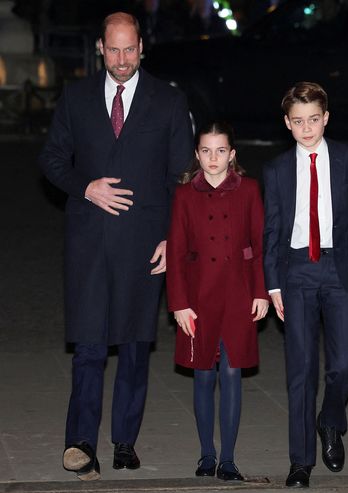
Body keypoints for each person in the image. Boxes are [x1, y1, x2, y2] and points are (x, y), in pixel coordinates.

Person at [38, 12, 194, 480]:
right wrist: (85, 187)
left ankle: (125, 440)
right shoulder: (77, 97)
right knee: (88, 347)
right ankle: (80, 441)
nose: (122, 60)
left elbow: (181, 180)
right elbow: (50, 159)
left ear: (142, 48)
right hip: (88, 242)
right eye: (114, 50)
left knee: (133, 346)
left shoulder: (167, 101)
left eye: (130, 50)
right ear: (100, 50)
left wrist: (172, 237)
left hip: (143, 246)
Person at [263, 81, 348, 488]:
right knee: (300, 369)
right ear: (287, 123)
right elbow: (272, 230)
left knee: (345, 364)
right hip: (297, 270)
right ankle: (301, 461)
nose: (307, 128)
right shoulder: (277, 169)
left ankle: (330, 419)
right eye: (298, 122)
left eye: (313, 119)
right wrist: (273, 285)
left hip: (341, 268)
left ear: (326, 118)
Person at [166, 121, 269, 481]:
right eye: (206, 151)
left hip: (238, 295)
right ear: (197, 154)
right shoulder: (184, 195)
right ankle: (206, 454)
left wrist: (261, 292)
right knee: (203, 376)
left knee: (232, 372)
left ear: (232, 154)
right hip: (198, 297)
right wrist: (178, 302)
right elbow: (176, 252)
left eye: (221, 150)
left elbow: (259, 247)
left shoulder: (250, 190)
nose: (213, 158)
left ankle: (228, 458)